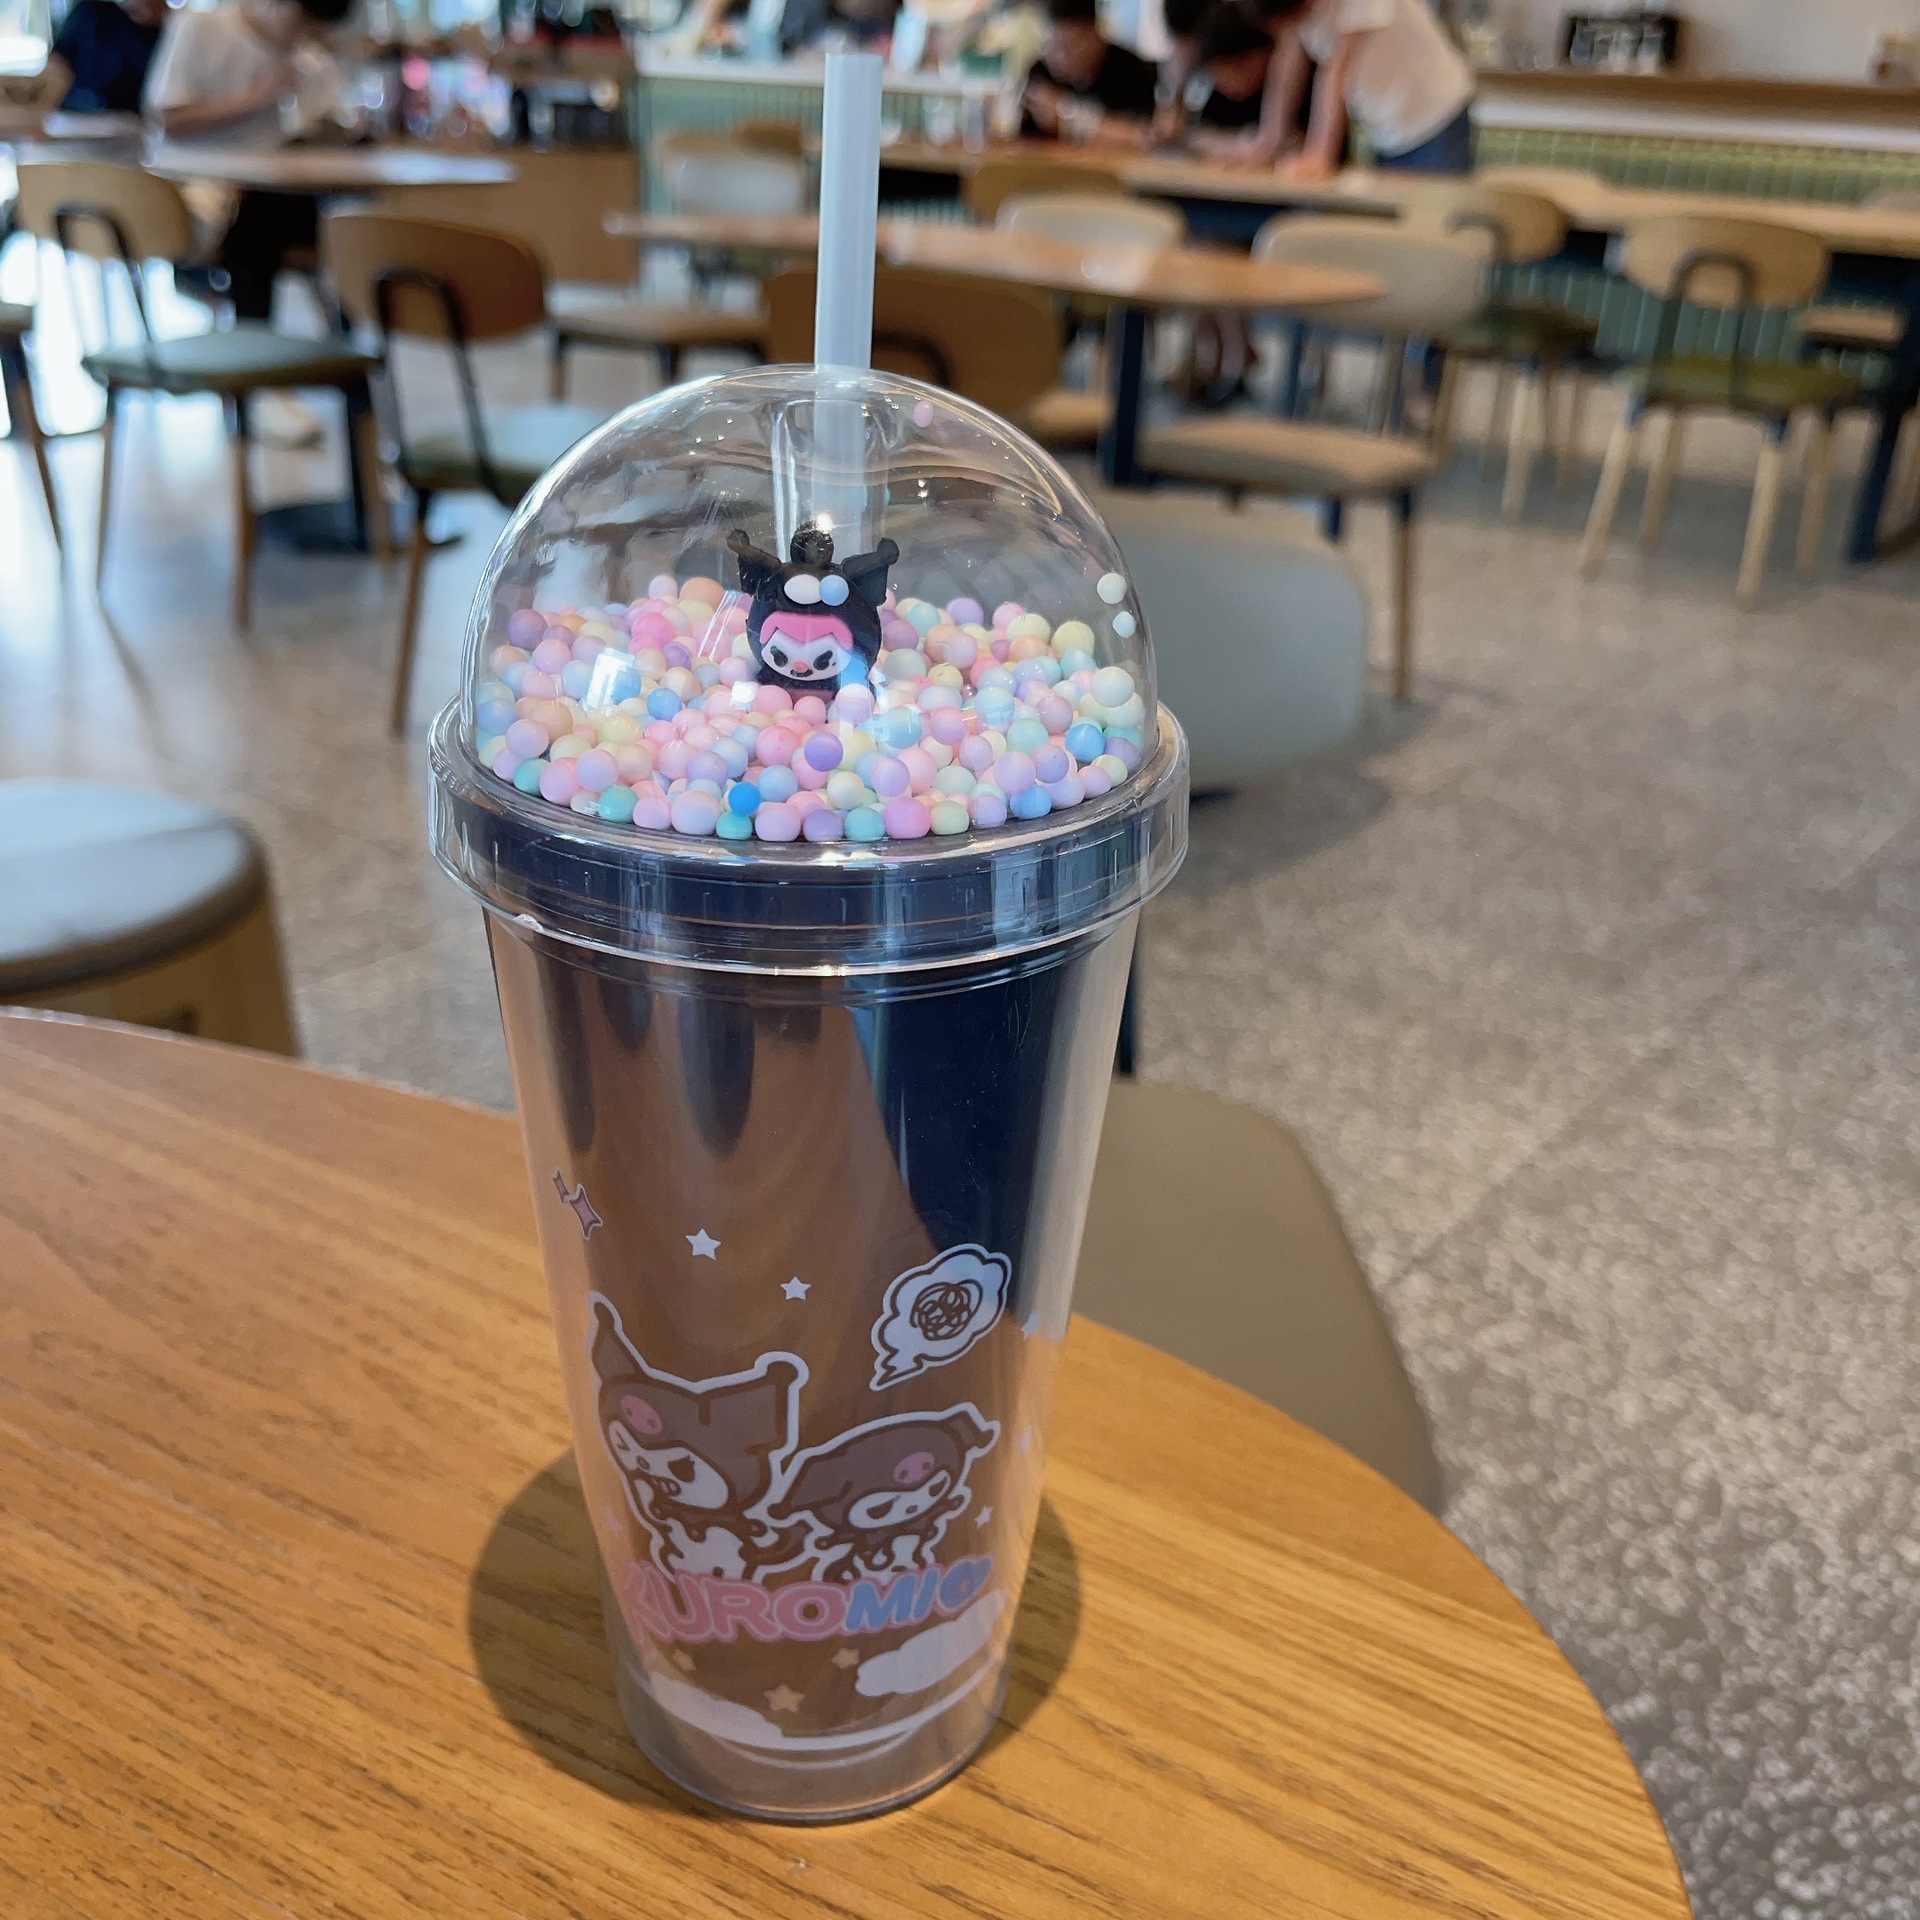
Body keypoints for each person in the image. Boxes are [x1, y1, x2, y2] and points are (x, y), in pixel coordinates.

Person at [143, 0, 354, 322]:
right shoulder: (201, 27)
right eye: (301, 26)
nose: (302, 37)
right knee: (258, 225)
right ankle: (255, 335)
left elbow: (318, 123)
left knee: (344, 218)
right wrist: (256, 99)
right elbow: (167, 120)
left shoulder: (306, 59)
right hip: (196, 186)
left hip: (262, 188)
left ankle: (345, 335)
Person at [1266, 0, 1474, 178]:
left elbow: (1337, 69)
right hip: (1385, 128)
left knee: (1431, 209)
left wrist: (1319, 154)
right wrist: (1270, 139)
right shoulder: (1295, 10)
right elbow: (1289, 55)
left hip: (1434, 116)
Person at [1021, 0, 1158, 143]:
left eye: (1067, 47)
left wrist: (1067, 113)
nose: (1056, 58)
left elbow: (1142, 135)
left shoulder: (1131, 71)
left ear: (1095, 37)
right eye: (1048, 46)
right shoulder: (1041, 73)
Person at [0, 0, 165, 115]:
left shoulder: (171, 29)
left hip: (134, 130)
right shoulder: (91, 12)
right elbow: (55, 65)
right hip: (71, 119)